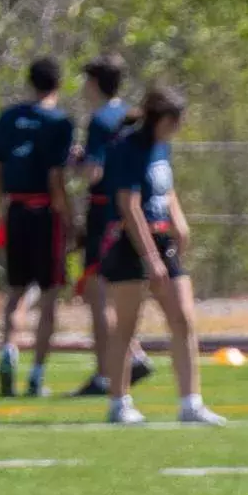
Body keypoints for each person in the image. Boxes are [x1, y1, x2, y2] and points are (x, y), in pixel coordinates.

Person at [100, 87, 225, 426]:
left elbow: (166, 189)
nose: (180, 126)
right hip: (132, 244)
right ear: (165, 119)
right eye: (178, 120)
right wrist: (150, 258)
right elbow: (128, 205)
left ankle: (191, 403)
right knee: (126, 326)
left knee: (183, 319)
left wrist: (179, 223)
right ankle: (119, 402)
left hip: (162, 239)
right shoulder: (127, 148)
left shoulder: (162, 147)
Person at [0, 57, 75, 398]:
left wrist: (1, 208)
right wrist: (67, 216)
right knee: (50, 293)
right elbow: (55, 176)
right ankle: (36, 374)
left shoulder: (9, 117)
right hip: (44, 213)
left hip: (16, 209)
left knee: (15, 290)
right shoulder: (59, 122)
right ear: (58, 83)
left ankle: (8, 348)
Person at [69, 56, 151, 396]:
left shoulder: (101, 120)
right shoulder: (132, 116)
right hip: (133, 208)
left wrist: (77, 161)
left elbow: (95, 171)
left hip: (104, 212)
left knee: (98, 292)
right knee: (121, 290)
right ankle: (133, 354)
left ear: (95, 83)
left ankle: (108, 371)